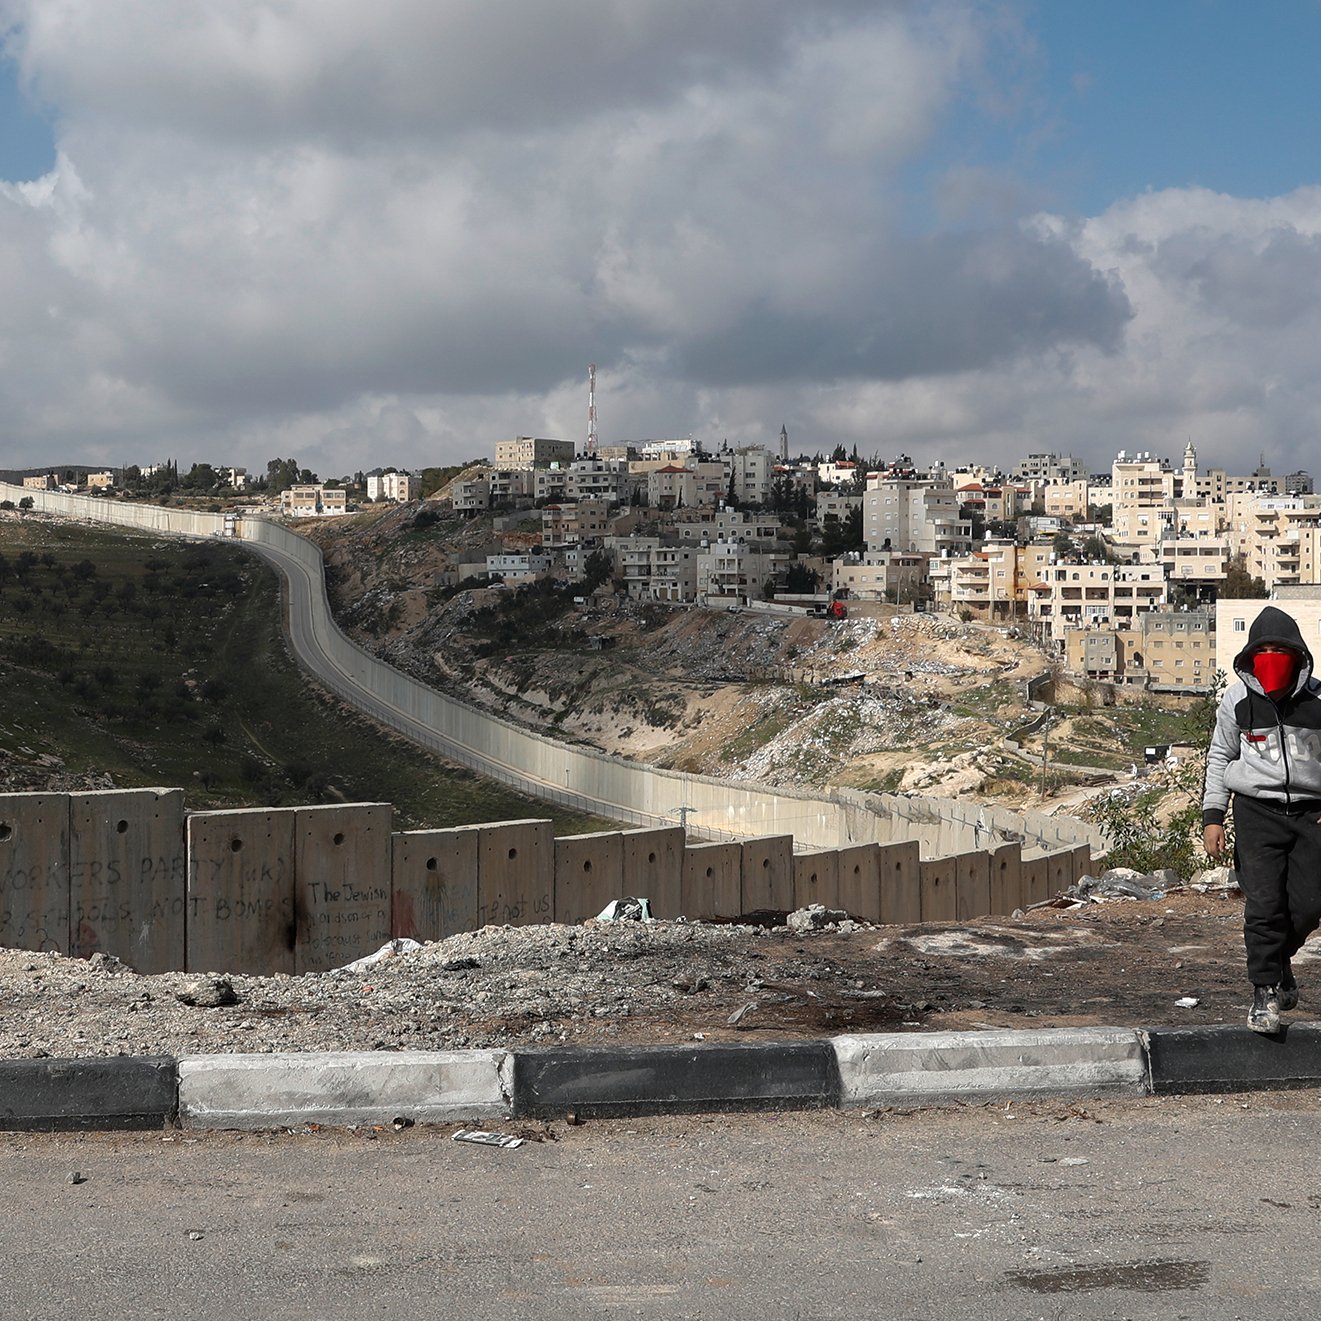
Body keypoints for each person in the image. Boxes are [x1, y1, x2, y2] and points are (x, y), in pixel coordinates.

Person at [1203, 605, 1321, 1033]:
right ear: (1251, 656)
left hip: (1312, 813)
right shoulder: (1237, 699)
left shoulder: (1318, 699)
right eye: (1263, 650)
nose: (1272, 657)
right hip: (1256, 812)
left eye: (1280, 649)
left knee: (1310, 906)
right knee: (1265, 905)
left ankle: (1279, 959)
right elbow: (1220, 756)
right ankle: (1264, 989)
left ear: (1298, 653)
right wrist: (1213, 816)